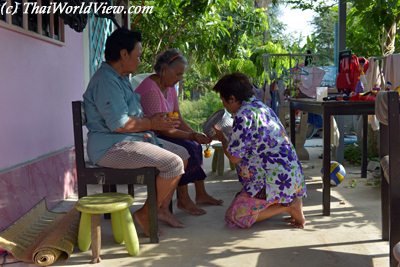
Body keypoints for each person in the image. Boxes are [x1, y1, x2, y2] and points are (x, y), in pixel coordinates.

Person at [83, 28, 189, 235]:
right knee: (173, 163)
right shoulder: (106, 80)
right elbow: (120, 124)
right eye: (138, 55)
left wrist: (154, 124)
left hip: (129, 140)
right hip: (110, 148)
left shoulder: (120, 78)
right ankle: (145, 214)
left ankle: (159, 210)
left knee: (183, 154)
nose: (140, 61)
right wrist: (152, 124)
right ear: (124, 54)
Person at [212, 72, 307, 229]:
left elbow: (235, 158)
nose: (224, 105)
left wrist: (221, 138)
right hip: (291, 176)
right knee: (240, 197)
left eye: (223, 101)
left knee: (235, 216)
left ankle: (289, 206)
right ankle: (288, 200)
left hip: (273, 180)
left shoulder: (243, 116)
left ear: (232, 99)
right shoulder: (261, 106)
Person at [135, 49, 223, 215]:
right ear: (164, 69)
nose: (180, 78)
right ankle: (183, 199)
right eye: (177, 74)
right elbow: (162, 129)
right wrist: (191, 136)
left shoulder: (170, 87)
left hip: (164, 132)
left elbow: (178, 118)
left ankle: (201, 194)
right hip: (150, 135)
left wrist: (195, 135)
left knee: (194, 145)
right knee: (188, 148)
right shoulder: (150, 89)